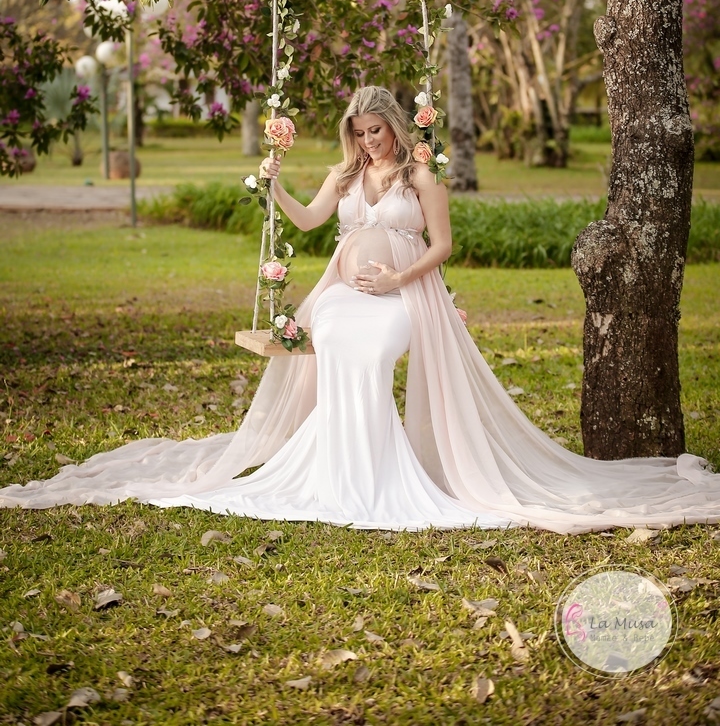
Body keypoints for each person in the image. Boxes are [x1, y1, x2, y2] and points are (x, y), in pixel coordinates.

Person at [1, 86, 720, 534]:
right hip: (342, 295)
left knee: (374, 356)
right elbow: (312, 223)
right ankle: (337, 469)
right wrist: (271, 187)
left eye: (377, 130)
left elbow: (444, 245)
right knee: (328, 347)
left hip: (406, 294)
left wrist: (398, 276)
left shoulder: (423, 171)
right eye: (360, 131)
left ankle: (379, 472)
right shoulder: (344, 173)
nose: (369, 141)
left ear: (397, 126)